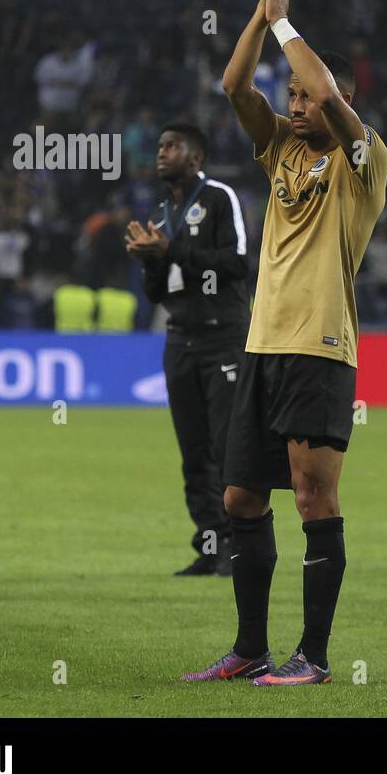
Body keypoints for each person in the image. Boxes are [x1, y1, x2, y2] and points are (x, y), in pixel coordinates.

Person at [181, 0, 387, 687]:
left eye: (304, 97)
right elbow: (234, 82)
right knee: (241, 496)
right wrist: (260, 17)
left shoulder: (365, 161)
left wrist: (287, 25)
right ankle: (249, 648)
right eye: (292, 98)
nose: (295, 105)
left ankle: (317, 657)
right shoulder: (281, 154)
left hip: (321, 346)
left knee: (311, 494)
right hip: (265, 344)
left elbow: (329, 92)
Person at [126, 122, 249, 576]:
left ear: (195, 157)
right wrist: (150, 259)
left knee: (225, 448)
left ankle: (237, 549)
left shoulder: (219, 199)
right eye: (158, 145)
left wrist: (171, 250)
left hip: (224, 339)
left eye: (171, 146)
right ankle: (210, 546)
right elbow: (158, 292)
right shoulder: (160, 215)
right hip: (180, 339)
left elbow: (237, 263)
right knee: (193, 451)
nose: (161, 152)